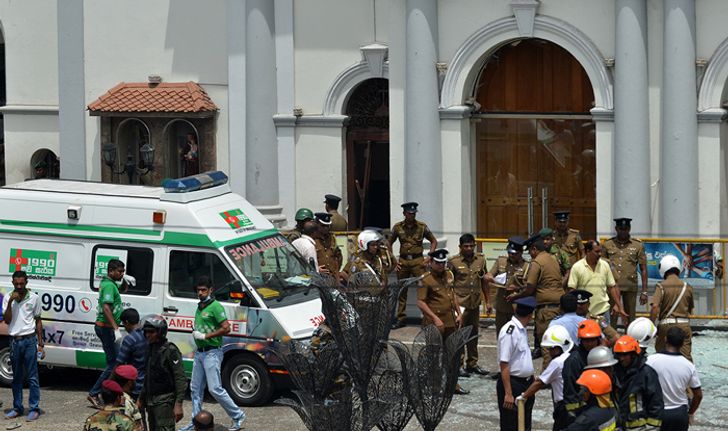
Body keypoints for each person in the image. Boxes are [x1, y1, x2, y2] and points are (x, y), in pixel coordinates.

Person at [181, 277, 246, 431]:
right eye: (198, 290)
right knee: (195, 389)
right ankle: (195, 422)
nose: (201, 293)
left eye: (204, 290)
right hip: (200, 353)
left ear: (211, 290)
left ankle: (237, 415)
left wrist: (205, 336)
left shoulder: (215, 306)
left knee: (215, 389)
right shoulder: (201, 306)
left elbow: (226, 328)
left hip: (212, 353)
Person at [416, 248, 468, 395]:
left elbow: (453, 295)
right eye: (438, 263)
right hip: (435, 324)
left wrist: (459, 313)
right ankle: (434, 387)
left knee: (452, 354)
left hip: (451, 322)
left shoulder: (449, 274)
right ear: (431, 262)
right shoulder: (425, 279)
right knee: (434, 355)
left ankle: (453, 385)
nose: (441, 266)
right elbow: (421, 302)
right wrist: (435, 318)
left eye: (443, 263)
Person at [507, 234, 563, 367]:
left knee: (547, 343)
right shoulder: (552, 259)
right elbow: (543, 283)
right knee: (557, 343)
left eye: (530, 251)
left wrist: (515, 296)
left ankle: (547, 376)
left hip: (546, 310)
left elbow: (530, 289)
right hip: (558, 306)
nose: (530, 255)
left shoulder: (537, 262)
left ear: (534, 249)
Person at [2, 270, 43, 421]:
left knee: (32, 376)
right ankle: (17, 407)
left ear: (26, 282)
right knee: (17, 377)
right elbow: (7, 320)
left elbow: (38, 320)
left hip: (30, 340)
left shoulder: (34, 298)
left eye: (22, 283)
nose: (19, 286)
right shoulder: (8, 297)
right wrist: (11, 302)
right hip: (14, 341)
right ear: (12, 283)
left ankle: (34, 408)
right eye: (16, 283)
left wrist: (41, 344)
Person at [567, 240, 627, 343]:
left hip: (603, 312)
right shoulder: (577, 267)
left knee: (607, 341)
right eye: (597, 251)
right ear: (587, 251)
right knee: (586, 342)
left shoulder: (605, 265)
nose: (600, 254)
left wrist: (619, 306)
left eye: (600, 251)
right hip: (584, 315)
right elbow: (572, 290)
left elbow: (612, 287)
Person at [390, 201, 437, 329]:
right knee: (401, 290)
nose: (412, 215)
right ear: (404, 213)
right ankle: (401, 318)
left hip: (418, 262)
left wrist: (429, 257)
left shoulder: (422, 227)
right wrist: (394, 260)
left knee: (424, 289)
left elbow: (434, 241)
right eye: (409, 213)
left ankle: (428, 319)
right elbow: (388, 243)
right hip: (403, 262)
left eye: (413, 213)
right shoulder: (398, 227)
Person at [517, 325, 574, 430]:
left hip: (564, 406)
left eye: (552, 349)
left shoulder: (557, 362)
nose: (549, 352)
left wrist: (524, 396)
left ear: (559, 347)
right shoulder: (573, 357)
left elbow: (539, 383)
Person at [449, 233, 491, 376]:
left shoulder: (480, 260)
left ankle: (472, 363)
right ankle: (458, 364)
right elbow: (449, 286)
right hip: (460, 305)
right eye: (465, 246)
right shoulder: (453, 262)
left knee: (473, 335)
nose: (469, 248)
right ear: (460, 247)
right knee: (459, 335)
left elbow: (484, 281)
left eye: (471, 246)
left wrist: (488, 301)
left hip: (474, 303)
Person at [646, 326, 703, 431]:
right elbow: (698, 395)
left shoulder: (650, 361)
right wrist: (690, 413)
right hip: (679, 414)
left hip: (657, 411)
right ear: (682, 343)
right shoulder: (688, 365)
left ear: (665, 339)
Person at [88, 258, 126, 408]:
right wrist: (116, 328)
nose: (122, 274)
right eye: (119, 271)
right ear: (111, 271)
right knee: (114, 363)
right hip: (106, 328)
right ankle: (95, 393)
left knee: (115, 362)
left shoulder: (110, 283)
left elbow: (123, 289)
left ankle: (106, 393)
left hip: (106, 327)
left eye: (123, 271)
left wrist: (126, 279)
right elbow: (106, 308)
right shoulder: (109, 285)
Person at [139, 314, 186, 431]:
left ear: (160, 332)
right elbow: (148, 376)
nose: (148, 335)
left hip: (164, 401)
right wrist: (141, 398)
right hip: (150, 400)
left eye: (151, 332)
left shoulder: (170, 351)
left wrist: (178, 404)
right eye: (146, 332)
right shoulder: (150, 348)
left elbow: (180, 378)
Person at [496, 296, 537, 431]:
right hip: (513, 384)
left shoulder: (521, 329)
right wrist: (508, 393)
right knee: (511, 424)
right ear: (530, 315)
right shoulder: (510, 331)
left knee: (525, 424)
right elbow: (504, 364)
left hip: (526, 383)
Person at [603, 217, 648, 327]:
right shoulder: (608, 244)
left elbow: (643, 269)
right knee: (612, 315)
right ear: (616, 228)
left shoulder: (637, 245)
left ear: (629, 229)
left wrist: (644, 292)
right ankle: (611, 340)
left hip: (630, 286)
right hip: (612, 286)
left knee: (630, 316)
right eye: (621, 229)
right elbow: (602, 267)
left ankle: (630, 340)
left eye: (626, 229)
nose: (623, 231)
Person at [613, 335, 664, 431]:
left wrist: (652, 428)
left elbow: (656, 403)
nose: (621, 358)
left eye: (625, 355)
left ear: (633, 354)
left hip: (639, 428)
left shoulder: (646, 373)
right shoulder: (615, 373)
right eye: (619, 355)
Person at [650, 254, 694, 361]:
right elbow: (690, 310)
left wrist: (651, 324)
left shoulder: (661, 285)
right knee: (685, 357)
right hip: (684, 325)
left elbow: (655, 306)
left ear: (664, 268)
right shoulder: (687, 286)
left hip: (666, 325)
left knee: (661, 355)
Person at [485, 236, 529, 336]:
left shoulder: (527, 266)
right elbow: (489, 275)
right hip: (501, 307)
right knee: (501, 336)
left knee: (516, 337)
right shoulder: (501, 261)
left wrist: (517, 288)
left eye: (515, 254)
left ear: (521, 253)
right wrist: (490, 277)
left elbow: (529, 287)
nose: (511, 255)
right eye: (509, 253)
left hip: (517, 308)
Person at [562, 319, 604, 425]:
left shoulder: (602, 356)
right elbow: (570, 392)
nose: (589, 344)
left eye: (592, 340)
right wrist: (574, 417)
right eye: (586, 340)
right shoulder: (574, 361)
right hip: (581, 412)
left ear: (598, 339)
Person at [115, 308, 146, 399]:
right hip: (146, 384)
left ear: (127, 322)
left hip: (134, 384)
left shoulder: (129, 339)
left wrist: (110, 381)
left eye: (123, 324)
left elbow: (119, 363)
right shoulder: (147, 335)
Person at [111, 365, 143, 431]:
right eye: (134, 380)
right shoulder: (125, 401)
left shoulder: (112, 396)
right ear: (129, 383)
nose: (135, 383)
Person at [314, 212, 343, 279]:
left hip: (332, 278)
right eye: (323, 226)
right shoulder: (313, 239)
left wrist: (336, 271)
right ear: (317, 224)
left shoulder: (332, 238)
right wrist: (316, 269)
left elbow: (338, 256)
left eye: (327, 226)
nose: (326, 228)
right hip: (319, 277)